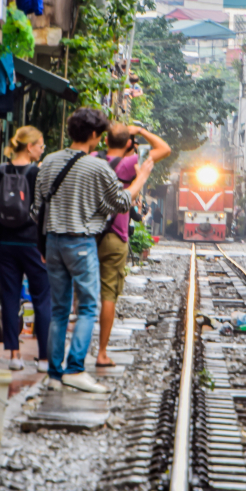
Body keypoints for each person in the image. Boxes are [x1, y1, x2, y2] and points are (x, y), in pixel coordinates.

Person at [33, 109, 154, 393]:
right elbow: (122, 202)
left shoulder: (48, 162)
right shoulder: (97, 167)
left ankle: (54, 374)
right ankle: (75, 369)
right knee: (87, 306)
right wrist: (141, 178)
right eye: (99, 135)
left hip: (52, 242)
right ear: (93, 135)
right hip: (81, 242)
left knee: (59, 309)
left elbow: (36, 208)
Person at [95, 123, 170, 368]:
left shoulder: (93, 158)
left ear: (106, 140)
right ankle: (101, 353)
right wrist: (141, 131)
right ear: (129, 143)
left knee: (82, 292)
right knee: (109, 294)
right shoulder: (130, 163)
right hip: (115, 234)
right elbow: (164, 149)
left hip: (88, 233)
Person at [0, 126, 52, 373]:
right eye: (40, 145)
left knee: (9, 296)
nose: (42, 150)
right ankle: (44, 359)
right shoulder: (36, 173)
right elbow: (42, 211)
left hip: (4, 242)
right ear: (29, 147)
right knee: (42, 298)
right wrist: (45, 246)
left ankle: (14, 355)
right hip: (31, 242)